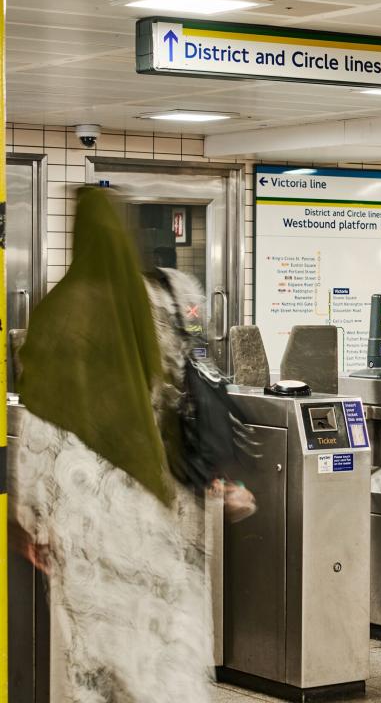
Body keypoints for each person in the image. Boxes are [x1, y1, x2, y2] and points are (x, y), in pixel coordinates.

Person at [10, 187, 215, 702]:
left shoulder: (61, 309)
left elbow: (39, 428)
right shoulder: (149, 304)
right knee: (160, 631)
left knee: (93, 646)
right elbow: (175, 390)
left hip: (83, 506)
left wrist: (29, 517)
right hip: (148, 491)